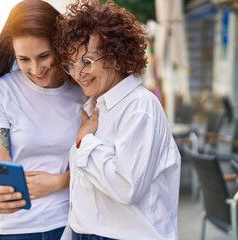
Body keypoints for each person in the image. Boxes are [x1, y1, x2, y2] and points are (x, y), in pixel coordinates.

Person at [55, 0, 181, 239]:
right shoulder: (94, 105)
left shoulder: (139, 106)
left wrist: (85, 142)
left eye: (87, 62)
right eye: (71, 64)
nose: (77, 73)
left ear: (114, 57)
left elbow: (127, 187)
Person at [0, 0, 85, 239]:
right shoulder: (1, 92)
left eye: (44, 56)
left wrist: (61, 182)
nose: (36, 68)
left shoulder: (81, 90)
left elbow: (99, 162)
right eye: (24, 59)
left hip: (65, 222)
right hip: (9, 228)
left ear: (59, 45)